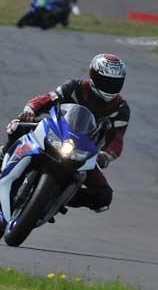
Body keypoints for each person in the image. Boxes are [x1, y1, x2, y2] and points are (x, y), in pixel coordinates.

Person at [2, 54, 129, 214]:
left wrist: (106, 155)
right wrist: (30, 110)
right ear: (93, 75)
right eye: (106, 81)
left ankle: (57, 199)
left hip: (85, 154)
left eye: (115, 83)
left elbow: (117, 139)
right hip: (54, 134)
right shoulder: (75, 87)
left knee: (104, 197)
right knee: (16, 127)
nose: (109, 86)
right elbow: (47, 98)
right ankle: (3, 155)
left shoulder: (120, 108)